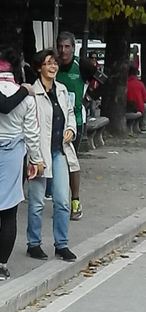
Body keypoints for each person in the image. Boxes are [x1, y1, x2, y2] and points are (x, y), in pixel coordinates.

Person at [27, 49, 79, 262]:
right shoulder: (33, 93)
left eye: (55, 63)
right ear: (40, 67)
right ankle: (34, 243)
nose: (53, 67)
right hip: (40, 153)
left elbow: (70, 114)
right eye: (48, 63)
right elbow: (29, 126)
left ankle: (61, 244)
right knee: (37, 202)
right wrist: (34, 157)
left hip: (59, 151)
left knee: (62, 201)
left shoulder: (62, 90)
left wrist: (71, 130)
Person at [0, 47, 44, 280]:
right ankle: (2, 264)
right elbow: (32, 133)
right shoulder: (25, 97)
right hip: (13, 155)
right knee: (8, 211)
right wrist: (35, 160)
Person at [56, 31, 96, 220]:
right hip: (54, 121)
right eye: (60, 46)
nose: (63, 51)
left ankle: (75, 201)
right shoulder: (51, 63)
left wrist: (88, 98)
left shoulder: (82, 65)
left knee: (71, 162)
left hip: (76, 122)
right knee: (56, 162)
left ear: (73, 48)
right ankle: (59, 198)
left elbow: (101, 80)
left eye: (67, 47)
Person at [126, 64, 146, 132]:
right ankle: (143, 125)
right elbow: (145, 97)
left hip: (126, 107)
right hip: (138, 107)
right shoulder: (140, 84)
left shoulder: (125, 84)